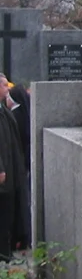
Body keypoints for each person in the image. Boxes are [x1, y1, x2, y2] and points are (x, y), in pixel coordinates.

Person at [0, 73, 28, 260]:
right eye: (4, 85)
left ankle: (6, 251)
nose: (7, 89)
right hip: (4, 172)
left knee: (9, 213)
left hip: (12, 169)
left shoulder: (4, 111)